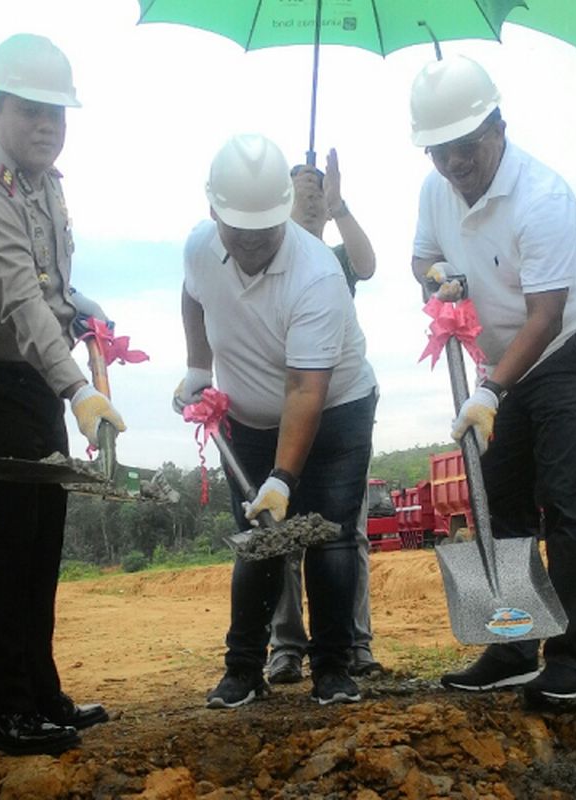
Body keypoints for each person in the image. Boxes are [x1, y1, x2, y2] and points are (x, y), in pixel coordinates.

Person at [0, 33, 122, 757]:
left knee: (39, 543)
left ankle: (40, 691)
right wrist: (79, 389)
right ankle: (2, 713)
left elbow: (49, 293)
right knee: (2, 548)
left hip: (30, 379)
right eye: (31, 110)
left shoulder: (45, 184)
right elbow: (16, 301)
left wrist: (84, 309)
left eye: (57, 114)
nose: (46, 125)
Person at [409, 55, 576, 706]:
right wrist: (439, 281)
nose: (453, 165)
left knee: (564, 495)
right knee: (498, 499)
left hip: (568, 345)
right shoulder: (435, 188)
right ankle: (514, 645)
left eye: (465, 149)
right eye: (439, 153)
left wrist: (491, 391)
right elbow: (422, 258)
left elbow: (545, 314)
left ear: (498, 125)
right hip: (499, 358)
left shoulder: (543, 197)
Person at [175, 133, 379, 709]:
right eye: (236, 229)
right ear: (214, 211)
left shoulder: (316, 273)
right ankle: (243, 671)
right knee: (259, 542)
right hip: (248, 413)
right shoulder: (198, 247)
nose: (250, 243)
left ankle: (334, 669)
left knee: (331, 537)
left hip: (335, 408)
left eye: (264, 230)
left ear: (281, 215)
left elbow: (305, 388)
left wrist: (282, 479)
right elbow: (192, 296)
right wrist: (198, 370)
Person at [267, 150, 381, 684]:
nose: (309, 193)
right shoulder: (275, 257)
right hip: (286, 408)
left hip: (341, 408)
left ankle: (353, 641)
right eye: (299, 186)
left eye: (315, 186)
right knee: (283, 531)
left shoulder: (332, 257)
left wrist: (338, 206)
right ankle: (285, 645)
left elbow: (367, 264)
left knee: (345, 532)